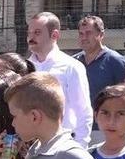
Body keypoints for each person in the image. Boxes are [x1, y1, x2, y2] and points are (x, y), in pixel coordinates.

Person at [26, 12, 94, 145]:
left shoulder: (71, 67)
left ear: (55, 35)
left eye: (37, 32)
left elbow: (83, 111)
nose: (31, 37)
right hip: (30, 146)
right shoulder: (25, 67)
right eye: (29, 33)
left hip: (62, 144)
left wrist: (80, 147)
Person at [73, 16, 125, 145]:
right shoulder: (73, 62)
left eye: (88, 33)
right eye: (81, 33)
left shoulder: (115, 61)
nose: (84, 37)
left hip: (104, 130)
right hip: (76, 130)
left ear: (101, 34)